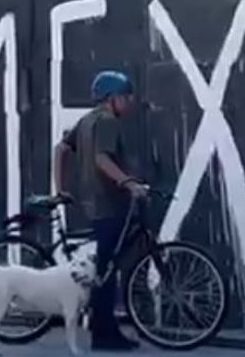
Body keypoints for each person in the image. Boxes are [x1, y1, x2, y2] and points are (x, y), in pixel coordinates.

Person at [53, 70, 147, 352]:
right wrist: (128, 183)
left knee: (104, 267)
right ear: (112, 98)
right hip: (109, 203)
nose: (130, 102)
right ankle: (104, 334)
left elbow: (61, 149)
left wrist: (61, 188)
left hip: (92, 203)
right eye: (126, 97)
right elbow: (101, 159)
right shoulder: (107, 121)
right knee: (105, 272)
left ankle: (102, 329)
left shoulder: (85, 120)